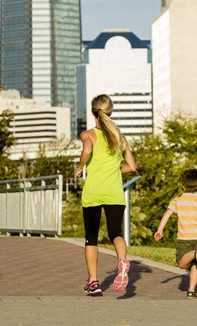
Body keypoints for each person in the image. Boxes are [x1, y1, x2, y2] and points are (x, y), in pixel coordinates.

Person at [75, 94, 136, 296]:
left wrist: (80, 167)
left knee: (91, 238)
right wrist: (115, 172)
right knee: (115, 233)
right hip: (114, 193)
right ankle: (122, 261)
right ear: (110, 111)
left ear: (94, 113)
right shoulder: (120, 137)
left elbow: (86, 149)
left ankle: (93, 282)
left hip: (93, 192)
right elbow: (132, 166)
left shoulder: (88, 134)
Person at [154, 168, 197, 298]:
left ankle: (191, 288)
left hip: (184, 237)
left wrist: (160, 229)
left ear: (183, 186)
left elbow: (167, 214)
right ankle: (191, 290)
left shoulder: (178, 199)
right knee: (196, 264)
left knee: (182, 264)